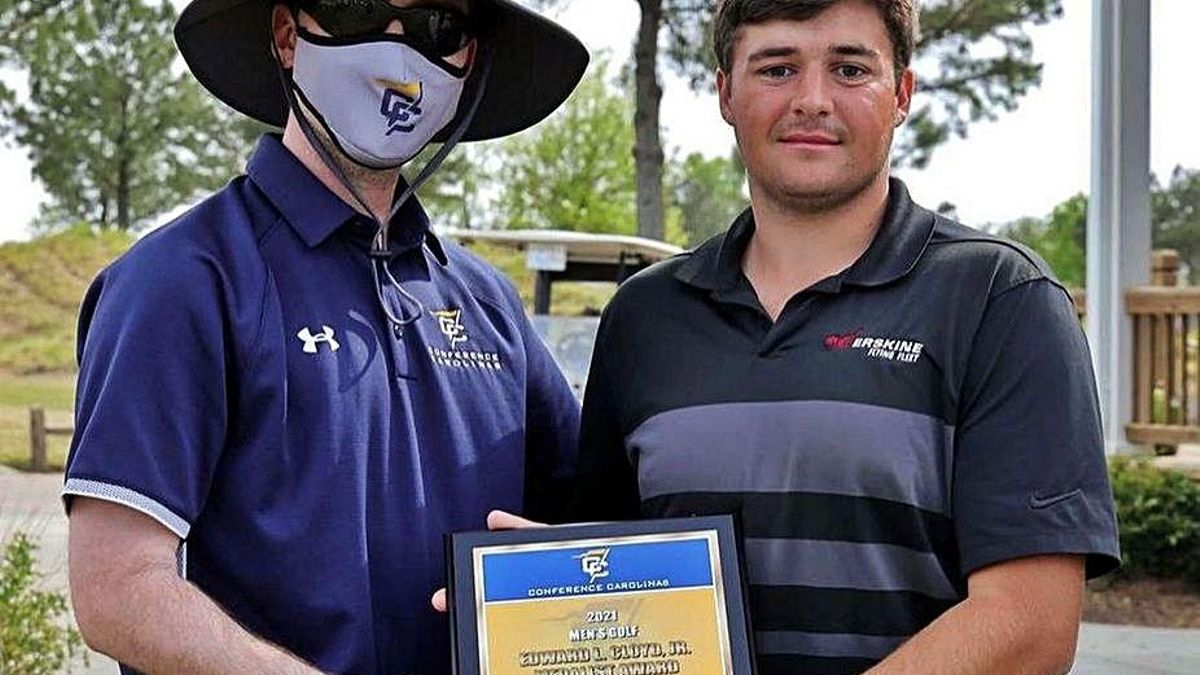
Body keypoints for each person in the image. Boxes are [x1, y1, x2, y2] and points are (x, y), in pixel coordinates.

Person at [572, 1, 1120, 674]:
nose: (811, 99)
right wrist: (526, 601)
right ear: (725, 93)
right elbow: (605, 573)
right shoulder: (643, 317)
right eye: (776, 67)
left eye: (850, 68)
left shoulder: (999, 299)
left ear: (902, 94)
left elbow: (1029, 626)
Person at [62, 1, 586, 673]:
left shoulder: (490, 302)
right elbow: (116, 588)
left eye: (438, 29)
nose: (397, 47)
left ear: (468, 61)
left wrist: (560, 581)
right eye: (357, 9)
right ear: (287, 35)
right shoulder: (182, 280)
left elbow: (591, 523)